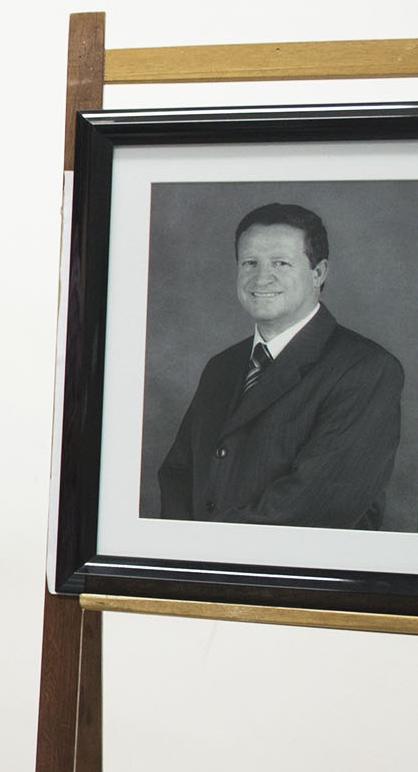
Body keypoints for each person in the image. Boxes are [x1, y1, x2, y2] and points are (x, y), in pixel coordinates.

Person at [157, 201, 404, 528]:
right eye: (249, 262)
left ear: (319, 273)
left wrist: (210, 545)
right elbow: (177, 474)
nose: (261, 278)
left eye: (281, 263)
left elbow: (316, 504)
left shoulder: (367, 369)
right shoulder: (222, 367)